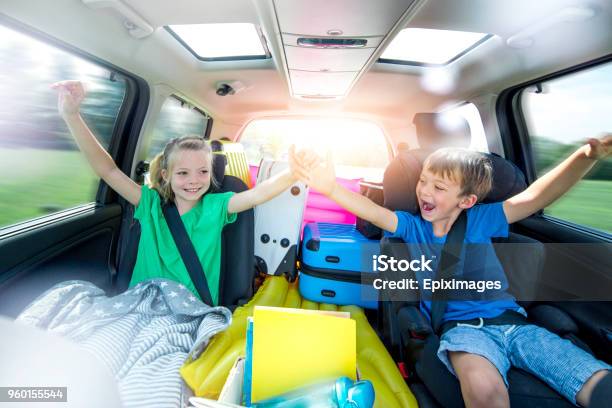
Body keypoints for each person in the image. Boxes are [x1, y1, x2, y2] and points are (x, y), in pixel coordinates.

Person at [299, 139, 612, 407]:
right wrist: (329, 188)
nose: (424, 192)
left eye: (439, 187)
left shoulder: (483, 219)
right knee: (484, 390)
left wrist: (584, 156)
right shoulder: (410, 227)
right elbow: (373, 212)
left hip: (516, 325)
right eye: (423, 180)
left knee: (593, 379)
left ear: (467, 200)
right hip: (464, 331)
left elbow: (535, 197)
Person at [52, 80, 314, 306]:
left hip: (190, 309)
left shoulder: (216, 206)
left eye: (202, 172)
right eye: (183, 173)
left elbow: (258, 195)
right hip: (140, 302)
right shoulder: (150, 204)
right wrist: (72, 116)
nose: (194, 181)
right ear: (165, 175)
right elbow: (108, 171)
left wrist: (292, 173)